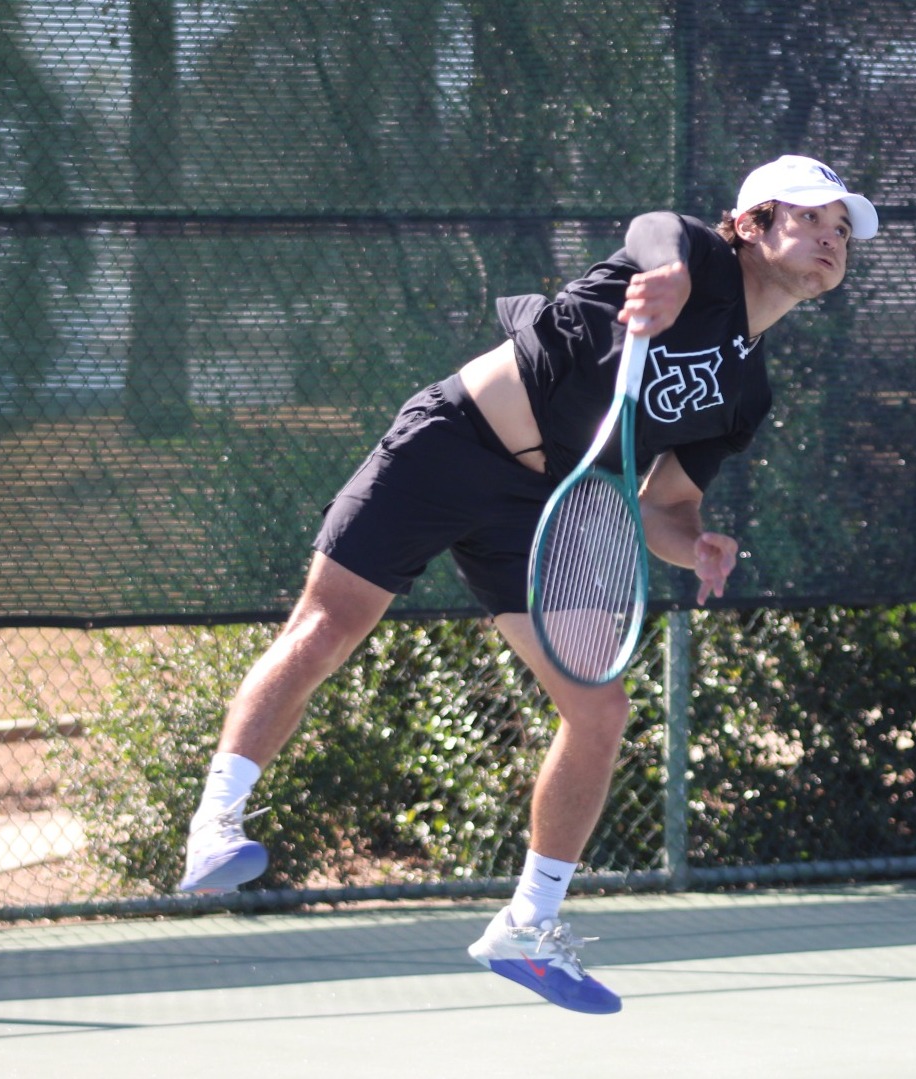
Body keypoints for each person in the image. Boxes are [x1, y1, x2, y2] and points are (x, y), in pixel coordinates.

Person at [177, 154, 879, 1014]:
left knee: (601, 709)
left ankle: (528, 924)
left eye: (842, 229)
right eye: (810, 217)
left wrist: (696, 545)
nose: (830, 238)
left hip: (541, 506)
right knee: (328, 627)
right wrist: (665, 278)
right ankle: (216, 824)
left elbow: (666, 504)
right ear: (751, 224)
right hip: (451, 442)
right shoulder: (692, 254)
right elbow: (655, 228)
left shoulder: (747, 391)